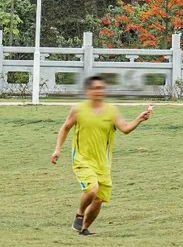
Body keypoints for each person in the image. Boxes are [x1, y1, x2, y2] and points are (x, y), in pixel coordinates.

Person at [51, 75, 153, 235]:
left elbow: (125, 129)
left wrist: (139, 119)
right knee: (92, 189)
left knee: (99, 200)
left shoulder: (111, 111)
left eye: (102, 88)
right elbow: (65, 128)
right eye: (96, 88)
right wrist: (57, 149)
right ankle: (79, 213)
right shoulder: (78, 109)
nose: (100, 91)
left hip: (103, 164)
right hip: (81, 159)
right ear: (88, 91)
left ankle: (84, 229)